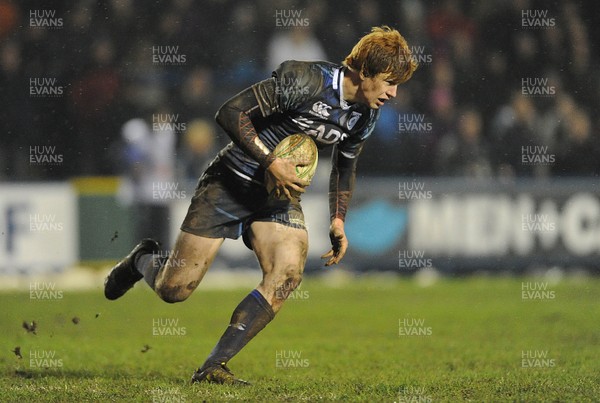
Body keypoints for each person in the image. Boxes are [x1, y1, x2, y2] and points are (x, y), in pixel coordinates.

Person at [104, 26, 417, 384]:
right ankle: (142, 258)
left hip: (277, 199)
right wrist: (271, 162)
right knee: (174, 289)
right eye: (390, 82)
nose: (394, 93)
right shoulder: (305, 79)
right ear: (365, 72)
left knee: (287, 274)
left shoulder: (365, 114)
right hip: (231, 181)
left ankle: (213, 366)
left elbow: (346, 166)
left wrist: (338, 219)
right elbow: (230, 112)